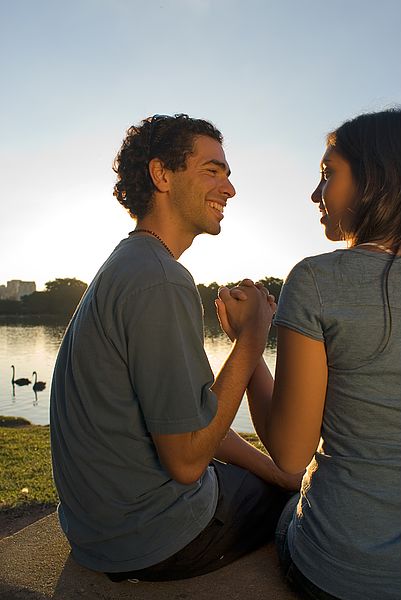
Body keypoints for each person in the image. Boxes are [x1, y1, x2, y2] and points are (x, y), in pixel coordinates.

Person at [49, 113, 300, 583]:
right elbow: (187, 460)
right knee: (310, 513)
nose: (229, 189)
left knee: (280, 480)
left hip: (100, 530)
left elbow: (192, 420)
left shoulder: (131, 264)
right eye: (213, 170)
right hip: (157, 538)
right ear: (162, 175)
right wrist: (252, 335)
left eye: (227, 173)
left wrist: (278, 471)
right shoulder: (161, 279)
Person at [216, 109, 401, 599]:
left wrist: (249, 341)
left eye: (327, 174)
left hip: (345, 571)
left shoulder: (318, 279)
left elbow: (291, 453)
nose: (315, 194)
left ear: (376, 178)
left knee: (285, 504)